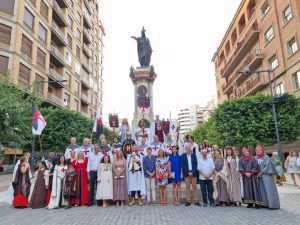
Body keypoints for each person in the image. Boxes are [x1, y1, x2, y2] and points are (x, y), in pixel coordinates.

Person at [255, 145, 280, 209]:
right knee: (261, 190)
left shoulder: (266, 157)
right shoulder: (255, 158)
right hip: (259, 177)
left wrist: (262, 172)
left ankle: (271, 204)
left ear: (262, 150)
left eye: (260, 150)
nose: (258, 151)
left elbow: (268, 166)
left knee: (268, 189)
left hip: (266, 176)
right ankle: (264, 204)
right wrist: (256, 172)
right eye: (257, 150)